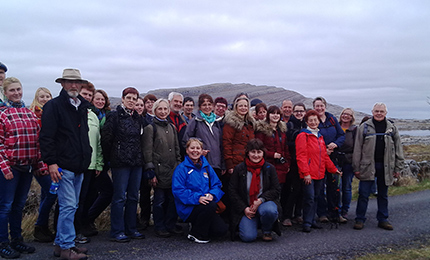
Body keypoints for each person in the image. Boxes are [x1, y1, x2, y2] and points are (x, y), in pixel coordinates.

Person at [40, 68, 91, 259]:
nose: (73, 85)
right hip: (63, 166)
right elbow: (46, 137)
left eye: (77, 82)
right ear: (62, 84)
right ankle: (67, 247)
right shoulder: (54, 106)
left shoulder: (81, 106)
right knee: (68, 206)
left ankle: (62, 245)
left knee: (72, 206)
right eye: (69, 82)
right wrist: (51, 163)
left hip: (79, 164)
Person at [0, 77, 47, 259]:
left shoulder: (29, 114)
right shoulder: (3, 114)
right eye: (12, 90)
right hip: (9, 169)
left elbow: (36, 142)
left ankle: (17, 239)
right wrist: (5, 168)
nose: (16, 93)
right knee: (5, 206)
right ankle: (3, 242)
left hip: (27, 168)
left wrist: (39, 165)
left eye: (18, 89)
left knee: (18, 206)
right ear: (5, 93)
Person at [101, 87, 145, 243]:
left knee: (133, 196)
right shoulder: (114, 116)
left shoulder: (138, 118)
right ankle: (117, 230)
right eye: (129, 98)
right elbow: (106, 139)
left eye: (134, 98)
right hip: (120, 163)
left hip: (136, 162)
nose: (131, 101)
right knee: (119, 197)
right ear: (123, 99)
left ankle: (131, 228)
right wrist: (111, 158)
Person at [353, 103, 404, 230]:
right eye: (376, 111)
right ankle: (360, 219)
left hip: (386, 166)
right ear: (372, 112)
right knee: (363, 194)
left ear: (386, 113)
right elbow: (357, 149)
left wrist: (398, 168)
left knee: (383, 194)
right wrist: (356, 168)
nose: (379, 113)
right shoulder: (364, 127)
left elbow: (399, 149)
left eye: (381, 111)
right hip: (367, 166)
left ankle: (383, 219)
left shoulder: (392, 128)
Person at [172, 138, 228, 243]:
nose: (195, 151)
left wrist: (212, 194)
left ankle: (198, 226)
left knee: (221, 231)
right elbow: (178, 190)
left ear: (202, 151)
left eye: (198, 148)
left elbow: (217, 184)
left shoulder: (207, 167)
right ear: (187, 150)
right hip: (189, 207)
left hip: (206, 205)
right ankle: (196, 234)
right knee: (210, 205)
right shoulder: (181, 168)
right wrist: (198, 198)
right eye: (192, 148)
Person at [295, 110, 342, 233]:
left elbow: (325, 157)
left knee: (315, 197)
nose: (313, 122)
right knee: (309, 198)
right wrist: (305, 173)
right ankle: (306, 222)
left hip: (319, 173)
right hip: (309, 174)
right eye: (310, 120)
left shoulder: (319, 136)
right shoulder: (303, 136)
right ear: (306, 122)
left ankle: (312, 221)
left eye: (315, 120)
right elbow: (301, 156)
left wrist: (334, 169)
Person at [142, 99, 182, 238]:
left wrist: (178, 166)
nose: (163, 112)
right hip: (158, 171)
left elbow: (177, 149)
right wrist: (151, 171)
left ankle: (170, 224)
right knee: (159, 201)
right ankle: (159, 226)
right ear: (155, 110)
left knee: (172, 199)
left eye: (165, 109)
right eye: (160, 109)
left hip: (173, 170)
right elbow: (147, 151)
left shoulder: (171, 127)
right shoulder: (150, 128)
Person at [229, 139, 281, 242]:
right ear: (247, 153)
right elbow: (232, 191)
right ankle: (252, 223)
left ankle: (266, 230)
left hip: (264, 204)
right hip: (246, 207)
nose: (256, 155)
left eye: (259, 152)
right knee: (248, 237)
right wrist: (244, 209)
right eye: (253, 152)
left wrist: (261, 200)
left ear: (263, 153)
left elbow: (276, 189)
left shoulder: (269, 168)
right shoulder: (239, 169)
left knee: (269, 211)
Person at [74, 83, 104, 243]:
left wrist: (99, 164)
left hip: (91, 165)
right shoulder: (71, 112)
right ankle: (63, 233)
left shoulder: (92, 115)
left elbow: (97, 141)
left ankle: (79, 229)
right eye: (84, 94)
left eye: (89, 95)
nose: (86, 97)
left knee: (84, 199)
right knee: (70, 201)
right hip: (75, 165)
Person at [27, 87, 57, 242]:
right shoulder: (34, 116)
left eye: (48, 96)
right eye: (42, 96)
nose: (45, 99)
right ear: (36, 98)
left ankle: (43, 227)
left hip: (51, 161)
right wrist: (41, 164)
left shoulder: (51, 114)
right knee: (52, 192)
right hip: (40, 162)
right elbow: (36, 142)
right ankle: (40, 227)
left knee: (47, 194)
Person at [84, 89, 113, 237]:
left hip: (102, 161)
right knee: (91, 193)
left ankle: (87, 220)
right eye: (97, 99)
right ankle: (85, 222)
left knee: (102, 192)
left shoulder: (106, 116)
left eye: (103, 99)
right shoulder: (88, 115)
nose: (100, 102)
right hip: (89, 162)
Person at [313, 97, 346, 223]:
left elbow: (341, 135)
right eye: (317, 106)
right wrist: (322, 149)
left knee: (334, 186)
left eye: (321, 105)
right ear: (314, 107)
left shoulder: (332, 119)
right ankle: (322, 213)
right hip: (319, 158)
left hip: (333, 158)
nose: (319, 108)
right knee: (320, 187)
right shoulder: (312, 120)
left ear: (325, 106)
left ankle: (336, 212)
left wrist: (335, 144)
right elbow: (309, 138)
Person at [255, 106, 291, 220]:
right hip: (268, 166)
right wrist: (272, 154)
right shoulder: (262, 130)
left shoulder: (282, 131)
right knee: (268, 192)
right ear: (268, 115)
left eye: (277, 113)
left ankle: (278, 216)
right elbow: (259, 148)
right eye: (272, 113)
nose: (275, 115)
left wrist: (287, 163)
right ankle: (268, 217)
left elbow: (285, 148)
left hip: (281, 167)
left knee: (279, 192)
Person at [183, 94, 224, 177]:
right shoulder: (195, 121)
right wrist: (197, 151)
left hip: (217, 164)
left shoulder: (217, 122)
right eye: (204, 105)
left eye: (209, 104)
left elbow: (221, 144)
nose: (207, 107)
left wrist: (223, 164)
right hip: (201, 163)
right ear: (200, 107)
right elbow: (186, 141)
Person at [282, 103, 307, 227]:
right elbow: (287, 143)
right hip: (292, 161)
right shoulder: (289, 124)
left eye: (301, 111)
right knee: (292, 189)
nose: (299, 113)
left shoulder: (306, 124)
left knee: (302, 189)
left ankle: (298, 214)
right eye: (296, 111)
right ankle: (287, 215)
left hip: (304, 161)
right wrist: (301, 141)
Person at [338, 108, 357, 220]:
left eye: (348, 115)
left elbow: (357, 146)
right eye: (344, 114)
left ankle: (345, 210)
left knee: (346, 187)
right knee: (336, 187)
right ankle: (336, 209)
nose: (345, 116)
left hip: (349, 161)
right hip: (336, 160)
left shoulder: (354, 130)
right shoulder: (336, 127)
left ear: (352, 117)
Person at [167, 92, 187, 158]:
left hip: (181, 157)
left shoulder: (183, 121)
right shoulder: (163, 119)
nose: (178, 104)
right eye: (176, 101)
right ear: (169, 102)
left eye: (180, 102)